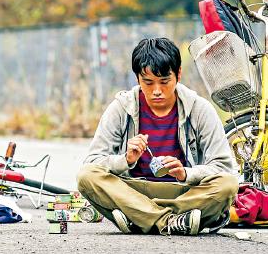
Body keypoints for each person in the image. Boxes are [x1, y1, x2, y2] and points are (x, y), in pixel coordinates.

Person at [76, 37, 239, 236]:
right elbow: (92, 162)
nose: (157, 91)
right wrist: (125, 160)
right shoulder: (121, 107)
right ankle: (171, 221)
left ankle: (141, 217)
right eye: (148, 82)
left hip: (183, 192)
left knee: (227, 185)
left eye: (164, 82)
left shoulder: (200, 108)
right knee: (86, 177)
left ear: (178, 74)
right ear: (137, 78)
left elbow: (223, 169)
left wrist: (185, 173)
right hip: (132, 191)